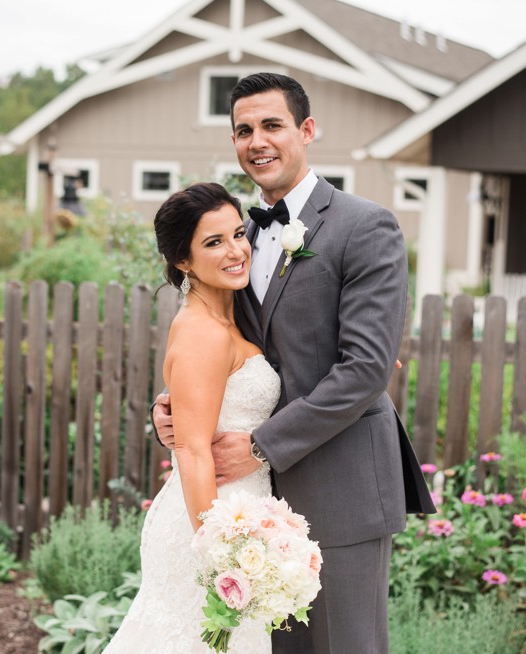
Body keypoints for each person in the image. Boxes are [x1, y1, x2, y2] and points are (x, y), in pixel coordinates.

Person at [153, 72, 435, 654]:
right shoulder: (237, 238)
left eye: (272, 125)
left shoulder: (366, 227)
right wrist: (172, 410)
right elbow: (220, 349)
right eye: (243, 130)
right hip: (253, 508)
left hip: (341, 489)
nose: (257, 141)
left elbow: (365, 369)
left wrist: (260, 444)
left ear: (306, 130)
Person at [104, 183, 277, 654]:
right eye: (214, 242)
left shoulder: (230, 315)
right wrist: (218, 554)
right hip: (211, 525)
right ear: (183, 260)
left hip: (243, 513)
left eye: (239, 234)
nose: (236, 250)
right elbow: (194, 449)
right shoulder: (203, 331)